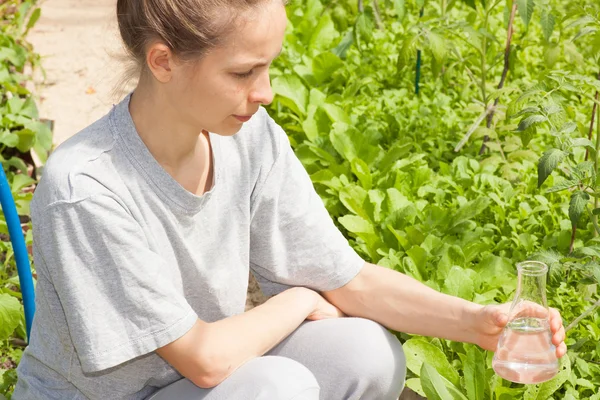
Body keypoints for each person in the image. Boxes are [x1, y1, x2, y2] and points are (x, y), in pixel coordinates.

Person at [13, 0, 567, 399]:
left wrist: (479, 322)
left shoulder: (247, 135)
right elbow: (204, 361)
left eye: (269, 66)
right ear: (163, 62)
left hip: (209, 383)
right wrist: (298, 299)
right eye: (243, 72)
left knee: (367, 352)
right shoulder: (85, 187)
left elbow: (346, 280)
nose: (266, 91)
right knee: (278, 387)